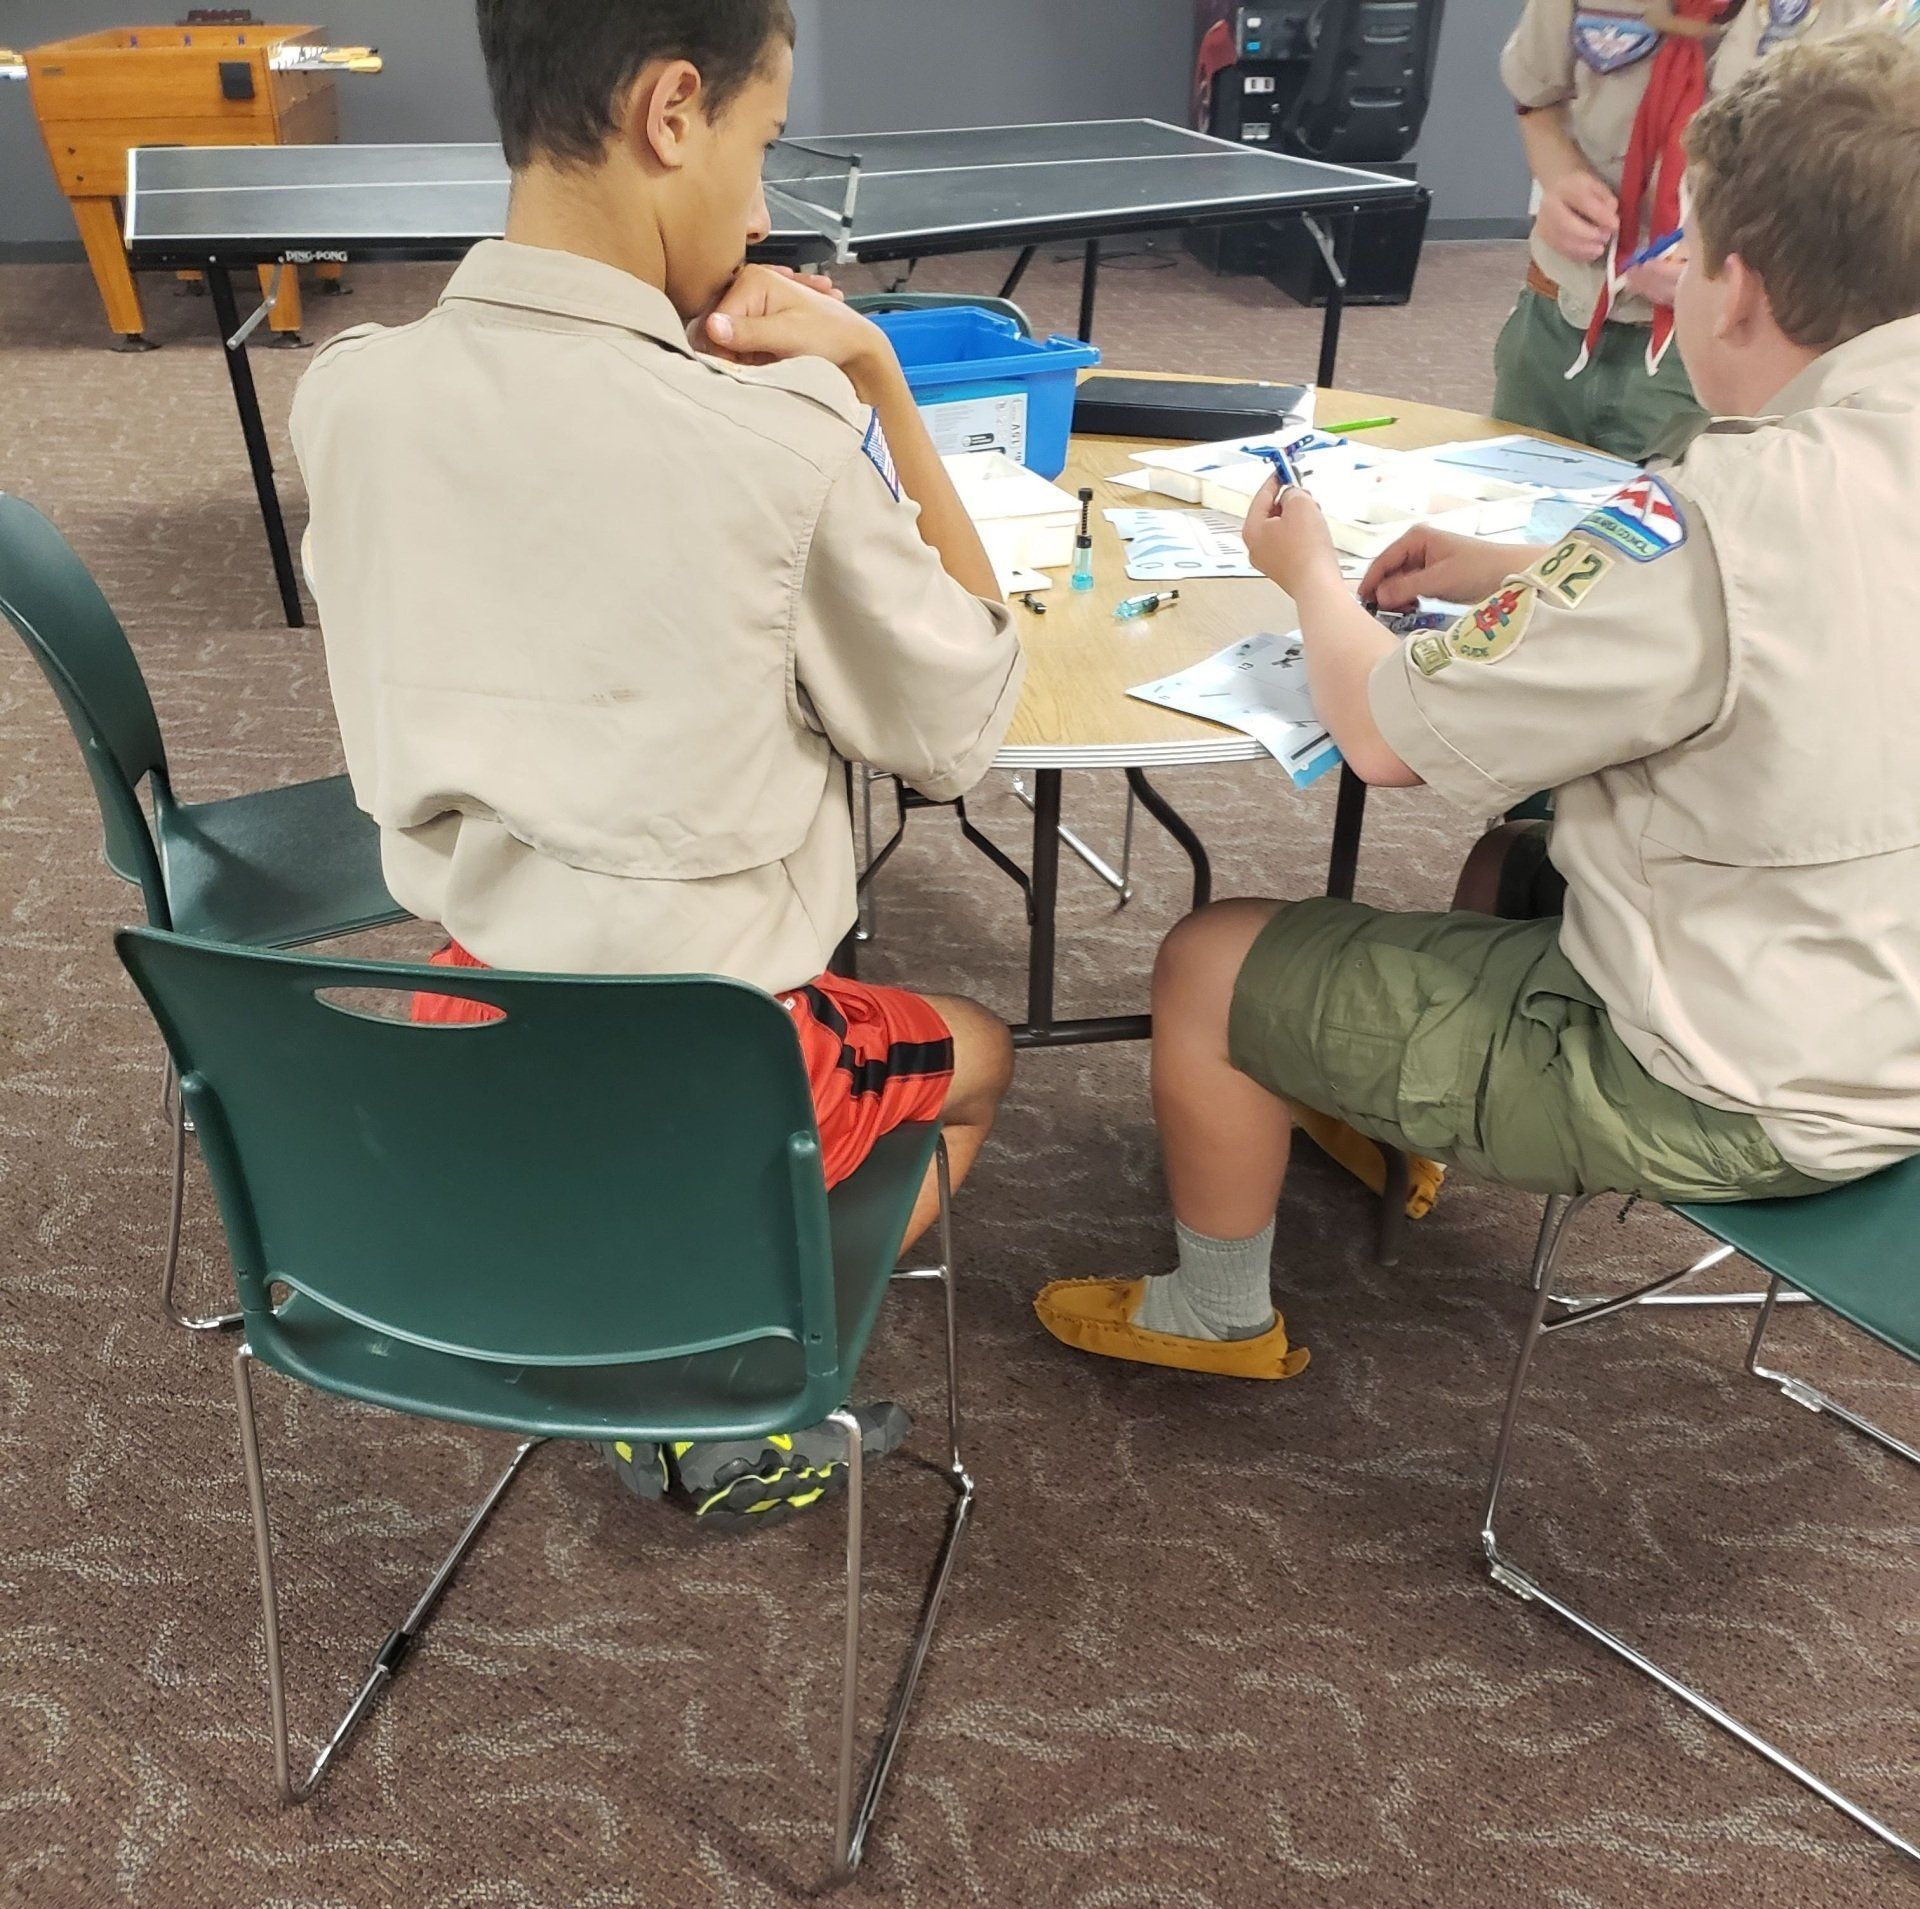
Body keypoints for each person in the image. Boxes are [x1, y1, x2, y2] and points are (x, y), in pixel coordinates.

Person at [1036, 28, 1920, 1383]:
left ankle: (1215, 1313)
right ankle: (1376, 1106)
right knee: (1516, 864)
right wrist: (1518, 571)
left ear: (1731, 293)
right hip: (1883, 1015)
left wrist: (1308, 572)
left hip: (1742, 1083)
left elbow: (1385, 732)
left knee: (1207, 963)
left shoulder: (1722, 514)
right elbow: (1804, 614)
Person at [290, 0, 1021, 1522]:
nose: (762, 214)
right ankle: (734, 1388)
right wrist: (872, 376)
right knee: (981, 1055)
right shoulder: (784, 435)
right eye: (758, 149)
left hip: (463, 1021)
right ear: (672, 114)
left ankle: (625, 1298)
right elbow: (952, 726)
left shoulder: (347, 397)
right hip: (714, 1068)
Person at [1495, 0, 1885, 460]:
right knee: (1505, 505)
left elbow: (1880, 194)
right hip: (1560, 314)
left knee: (1679, 520)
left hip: (1726, 346)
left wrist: (1713, 262)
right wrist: (1559, 177)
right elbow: (1534, 99)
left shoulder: (1872, 14)